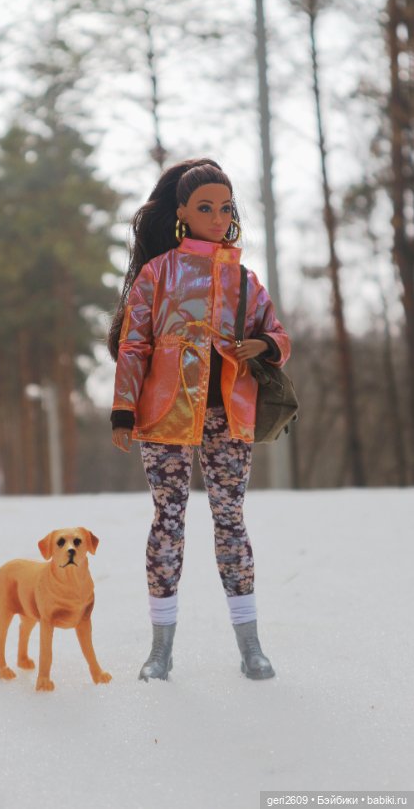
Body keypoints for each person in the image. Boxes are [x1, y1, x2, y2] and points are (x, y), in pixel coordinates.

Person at [107, 158, 291, 682]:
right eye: (205, 207)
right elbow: (133, 343)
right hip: (165, 414)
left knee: (230, 519)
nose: (217, 215)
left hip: (228, 414)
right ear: (182, 213)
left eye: (225, 207)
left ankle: (250, 645)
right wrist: (124, 408)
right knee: (168, 521)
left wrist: (263, 343)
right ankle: (160, 648)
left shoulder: (243, 280)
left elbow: (279, 334)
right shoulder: (158, 273)